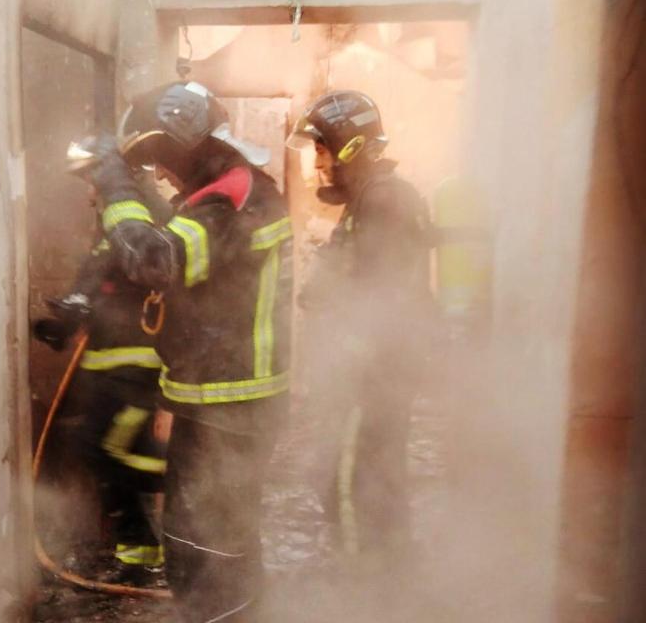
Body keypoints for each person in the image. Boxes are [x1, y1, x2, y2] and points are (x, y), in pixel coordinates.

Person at [81, 80, 293, 622]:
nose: (163, 176)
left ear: (178, 142)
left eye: (159, 161)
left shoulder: (233, 198)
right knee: (205, 545)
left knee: (209, 553)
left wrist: (114, 183)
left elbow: (155, 261)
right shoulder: (226, 192)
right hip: (218, 402)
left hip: (232, 406)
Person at [286, 90, 433, 566]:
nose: (318, 163)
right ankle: (386, 576)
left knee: (348, 480)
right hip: (374, 371)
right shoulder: (374, 197)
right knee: (371, 476)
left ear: (349, 145)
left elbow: (379, 291)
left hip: (372, 375)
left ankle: (361, 585)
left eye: (322, 149)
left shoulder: (385, 200)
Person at [33, 187, 171, 584]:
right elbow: (93, 291)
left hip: (136, 375)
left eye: (92, 181)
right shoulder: (110, 235)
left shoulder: (141, 231)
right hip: (110, 375)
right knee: (108, 452)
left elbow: (144, 294)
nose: (89, 193)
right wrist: (66, 324)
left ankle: (162, 541)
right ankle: (138, 557)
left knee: (110, 452)